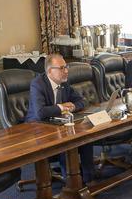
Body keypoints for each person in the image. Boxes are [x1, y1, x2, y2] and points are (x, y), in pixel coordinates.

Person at [27, 53, 97, 183]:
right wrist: (61, 107)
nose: (66, 71)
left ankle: (89, 178)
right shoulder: (38, 84)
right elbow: (40, 113)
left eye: (66, 67)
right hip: (38, 127)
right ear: (49, 71)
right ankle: (71, 183)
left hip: (58, 124)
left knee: (86, 137)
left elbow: (82, 101)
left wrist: (72, 107)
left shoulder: (64, 83)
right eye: (61, 68)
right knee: (66, 142)